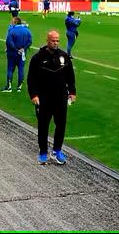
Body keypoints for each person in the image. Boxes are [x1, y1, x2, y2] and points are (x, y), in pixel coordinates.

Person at [28, 30, 77, 165]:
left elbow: (70, 77)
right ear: (47, 40)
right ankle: (43, 152)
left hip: (61, 97)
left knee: (61, 125)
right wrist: (34, 95)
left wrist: (72, 92)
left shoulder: (64, 57)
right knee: (43, 126)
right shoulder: (37, 58)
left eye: (57, 41)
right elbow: (31, 79)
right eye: (53, 40)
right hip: (44, 98)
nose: (55, 43)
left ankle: (57, 151)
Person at [2, 16, 33, 92]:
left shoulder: (12, 30)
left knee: (10, 69)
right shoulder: (27, 30)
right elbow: (30, 41)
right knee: (21, 69)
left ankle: (9, 87)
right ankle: (19, 87)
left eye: (12, 21)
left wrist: (16, 49)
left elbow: (9, 42)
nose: (11, 23)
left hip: (12, 53)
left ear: (15, 22)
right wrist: (23, 48)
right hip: (22, 54)